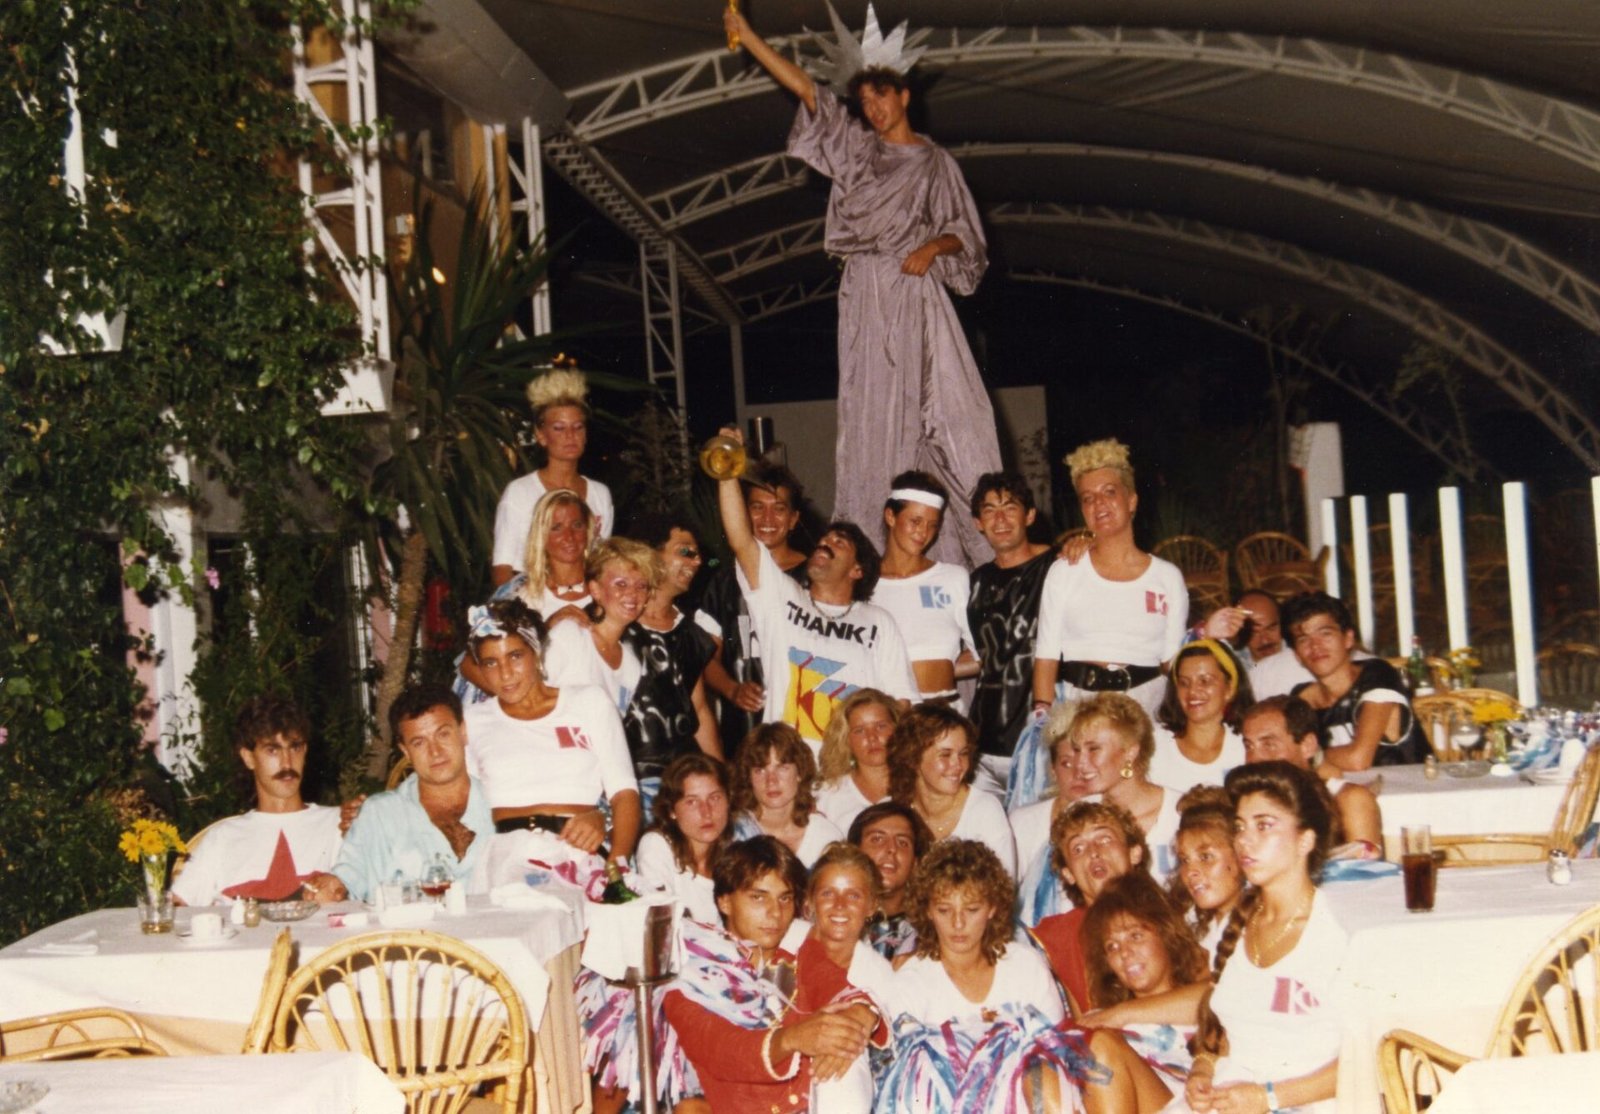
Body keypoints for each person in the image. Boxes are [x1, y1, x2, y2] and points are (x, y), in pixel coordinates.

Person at [723, 4, 1001, 568]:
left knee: (946, 413)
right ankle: (871, 559)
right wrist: (749, 38)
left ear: (904, 96)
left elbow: (967, 237)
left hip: (914, 290)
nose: (873, 109)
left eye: (882, 97)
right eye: (865, 101)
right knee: (873, 424)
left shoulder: (934, 162)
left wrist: (933, 247)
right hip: (864, 295)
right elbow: (809, 93)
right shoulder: (856, 150)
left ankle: (985, 547)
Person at [714, 427, 918, 758]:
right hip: (788, 767)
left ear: (857, 570)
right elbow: (741, 540)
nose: (825, 543)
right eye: (824, 540)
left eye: (840, 543)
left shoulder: (878, 622)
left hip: (851, 770)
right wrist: (727, 471)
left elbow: (900, 703)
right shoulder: (782, 600)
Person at [881, 840, 1111, 1113]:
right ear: (928, 911)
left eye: (971, 909)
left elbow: (1058, 1055)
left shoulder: (1025, 964)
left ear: (992, 908)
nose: (957, 924)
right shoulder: (911, 980)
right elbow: (910, 1089)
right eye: (944, 910)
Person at [660, 837, 881, 1113]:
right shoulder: (691, 971)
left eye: (784, 898)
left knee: (846, 1049)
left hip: (813, 1104)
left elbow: (836, 986)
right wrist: (792, 1039)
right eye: (758, 897)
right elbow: (720, 1050)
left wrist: (862, 1012)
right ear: (725, 901)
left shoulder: (800, 953)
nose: (775, 913)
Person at [1182, 762, 1345, 1114]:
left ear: (1306, 839)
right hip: (1232, 1097)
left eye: (1264, 826)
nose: (1244, 841)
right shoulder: (1239, 922)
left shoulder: (1337, 931)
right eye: (1240, 827)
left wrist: (1268, 1096)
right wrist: (1202, 1069)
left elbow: (1365, 1059)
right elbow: (1224, 1033)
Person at [461, 599, 640, 885]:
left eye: (516, 656)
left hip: (578, 855)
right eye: (491, 663)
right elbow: (457, 801)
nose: (505, 674)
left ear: (537, 653)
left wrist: (615, 872)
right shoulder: (473, 719)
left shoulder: (588, 702)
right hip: (505, 862)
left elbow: (624, 793)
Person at [1033, 439, 1189, 721]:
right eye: (1088, 498)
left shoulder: (1167, 577)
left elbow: (1172, 662)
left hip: (1146, 709)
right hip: (1078, 707)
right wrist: (1041, 717)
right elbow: (1046, 655)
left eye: (1109, 492)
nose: (1099, 504)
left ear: (1131, 501)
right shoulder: (1065, 571)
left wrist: (1205, 638)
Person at [304, 684, 492, 904]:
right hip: (408, 936)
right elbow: (349, 877)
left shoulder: (501, 803)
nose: (435, 751)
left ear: (463, 732)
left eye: (443, 734)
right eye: (419, 742)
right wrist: (331, 886)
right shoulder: (380, 814)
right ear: (405, 751)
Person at [172, 694, 343, 906]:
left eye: (295, 747)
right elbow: (177, 909)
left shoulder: (339, 823)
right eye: (273, 750)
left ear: (305, 751)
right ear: (249, 757)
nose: (287, 762)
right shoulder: (223, 837)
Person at [696, 462, 809, 755]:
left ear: (794, 518)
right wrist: (732, 688)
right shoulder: (724, 581)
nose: (767, 518)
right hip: (744, 731)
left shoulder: (815, 576)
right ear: (742, 513)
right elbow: (705, 656)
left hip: (803, 721)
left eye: (779, 508)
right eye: (757, 507)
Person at [459, 489, 598, 705]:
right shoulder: (522, 595)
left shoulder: (610, 590)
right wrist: (526, 705)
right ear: (541, 535)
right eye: (556, 528)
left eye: (577, 525)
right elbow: (469, 665)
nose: (569, 536)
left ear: (589, 530)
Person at [621, 513, 720, 811]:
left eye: (698, 554)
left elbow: (699, 708)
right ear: (651, 554)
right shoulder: (617, 621)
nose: (697, 561)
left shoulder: (690, 634)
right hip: (628, 778)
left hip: (678, 781)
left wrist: (720, 774)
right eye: (684, 552)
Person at [1080, 872, 1209, 1094]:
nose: (1124, 953)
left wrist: (1119, 1015)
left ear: (1166, 934)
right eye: (1112, 946)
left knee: (1102, 1048)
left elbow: (1211, 997)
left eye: (1135, 936)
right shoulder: (1102, 1019)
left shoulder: (1110, 1019)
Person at [966, 471, 1054, 794]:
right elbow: (980, 656)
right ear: (978, 522)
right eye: (989, 510)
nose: (1000, 519)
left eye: (1010, 507)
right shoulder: (976, 582)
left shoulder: (1057, 566)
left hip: (1038, 740)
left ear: (1029, 515)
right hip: (982, 744)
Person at [491, 367, 612, 586]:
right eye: (559, 428)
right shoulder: (520, 492)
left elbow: (602, 561)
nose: (570, 436)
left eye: (578, 427)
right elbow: (503, 567)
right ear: (540, 435)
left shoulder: (600, 494)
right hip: (534, 598)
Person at [1031, 799, 1152, 1014]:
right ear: (1068, 874)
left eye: (1104, 839)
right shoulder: (1063, 936)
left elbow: (1205, 994)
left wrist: (1119, 1016)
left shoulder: (1166, 913)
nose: (1093, 852)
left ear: (1135, 853)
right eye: (1078, 848)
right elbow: (1084, 1024)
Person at [1282, 591, 1427, 768]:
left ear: (1348, 639)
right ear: (1297, 655)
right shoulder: (1301, 699)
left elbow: (1358, 758)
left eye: (1325, 634)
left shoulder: (1377, 674)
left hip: (1409, 792)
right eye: (1304, 640)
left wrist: (1303, 758)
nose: (1315, 646)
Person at [870, 471, 976, 706]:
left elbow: (985, 653)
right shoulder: (863, 583)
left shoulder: (952, 579)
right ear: (890, 516)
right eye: (915, 521)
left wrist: (939, 668)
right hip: (887, 716)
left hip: (944, 712)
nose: (923, 533)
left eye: (932, 525)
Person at [1241, 695, 1383, 858]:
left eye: (1269, 745)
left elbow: (1367, 878)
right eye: (1249, 746)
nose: (1253, 759)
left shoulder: (1347, 800)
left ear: (1307, 746)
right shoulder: (1247, 807)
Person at [1063, 692, 1182, 882]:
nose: (1080, 763)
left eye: (1093, 749)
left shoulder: (1181, 813)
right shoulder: (1078, 816)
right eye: (1077, 750)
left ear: (1130, 752)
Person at [887, 703, 1016, 874]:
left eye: (963, 753)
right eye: (945, 755)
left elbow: (1004, 887)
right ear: (913, 757)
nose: (958, 765)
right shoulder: (894, 811)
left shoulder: (984, 810)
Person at [544, 537, 653, 715]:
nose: (633, 593)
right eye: (621, 584)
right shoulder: (570, 635)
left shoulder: (630, 665)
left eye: (642, 586)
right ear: (595, 590)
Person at [1009, 700, 1094, 925]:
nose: (1078, 773)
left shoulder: (1113, 821)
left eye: (1086, 763)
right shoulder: (1023, 821)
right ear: (1053, 770)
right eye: (1066, 763)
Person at [633, 753, 733, 926]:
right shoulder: (656, 846)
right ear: (672, 810)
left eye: (715, 798)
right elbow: (663, 925)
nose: (706, 812)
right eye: (692, 802)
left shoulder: (733, 857)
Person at [730, 723, 844, 867]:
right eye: (760, 770)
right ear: (749, 777)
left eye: (782, 768)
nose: (771, 781)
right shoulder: (733, 833)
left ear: (800, 773)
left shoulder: (824, 836)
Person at [1150, 640, 1254, 793]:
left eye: (1205, 681)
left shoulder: (1246, 746)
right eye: (1184, 683)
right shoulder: (1154, 743)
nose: (1192, 691)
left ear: (1229, 688)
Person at [848, 801, 933, 960]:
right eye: (877, 839)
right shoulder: (834, 916)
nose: (891, 849)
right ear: (854, 852)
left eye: (902, 842)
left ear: (915, 863)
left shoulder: (932, 929)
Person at [1167, 786, 1246, 958]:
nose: (1190, 872)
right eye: (1184, 860)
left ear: (1241, 855)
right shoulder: (1200, 925)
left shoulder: (1257, 926)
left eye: (1205, 857)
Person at [815, 688, 900, 833]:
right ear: (846, 739)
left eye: (880, 726)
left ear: (898, 729)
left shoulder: (919, 787)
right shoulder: (827, 794)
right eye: (859, 730)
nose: (872, 737)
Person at [1234, 589, 1314, 699]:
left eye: (1271, 628)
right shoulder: (1235, 667)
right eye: (1254, 632)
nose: (1265, 640)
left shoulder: (1302, 655)